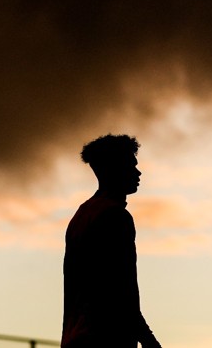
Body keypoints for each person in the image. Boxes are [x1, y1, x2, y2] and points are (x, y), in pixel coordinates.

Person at [61, 134, 162, 348]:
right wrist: (148, 339)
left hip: (75, 338)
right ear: (112, 170)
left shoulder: (82, 215)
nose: (138, 172)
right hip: (106, 338)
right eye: (130, 166)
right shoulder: (115, 216)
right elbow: (119, 286)